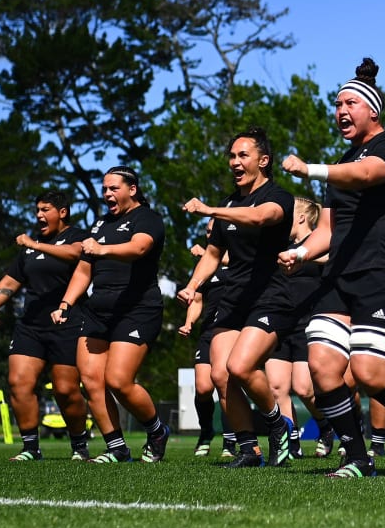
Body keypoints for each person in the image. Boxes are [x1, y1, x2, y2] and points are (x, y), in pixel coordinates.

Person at [279, 57, 385, 478]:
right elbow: (329, 231)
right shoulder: (342, 163)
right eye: (336, 105)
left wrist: (311, 169)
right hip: (339, 276)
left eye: (350, 103)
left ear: (373, 110)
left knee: (369, 372)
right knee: (322, 366)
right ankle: (356, 457)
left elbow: (368, 175)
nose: (340, 111)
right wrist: (299, 254)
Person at [179, 127, 297, 469]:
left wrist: (209, 210)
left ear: (263, 161)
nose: (235, 162)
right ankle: (249, 450)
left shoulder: (278, 197)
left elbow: (261, 217)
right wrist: (193, 284)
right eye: (232, 156)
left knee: (241, 366)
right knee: (220, 375)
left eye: (242, 155)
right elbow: (213, 253)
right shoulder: (229, 204)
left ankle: (277, 423)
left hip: (270, 296)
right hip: (233, 298)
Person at [51, 166, 169, 463]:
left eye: (113, 188)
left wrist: (103, 249)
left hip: (137, 309)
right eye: (104, 189)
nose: (107, 194)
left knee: (118, 380)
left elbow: (139, 247)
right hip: (98, 310)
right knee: (91, 381)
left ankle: (156, 431)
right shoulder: (100, 224)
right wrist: (66, 303)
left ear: (132, 189)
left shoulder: (147, 218)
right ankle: (117, 448)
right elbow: (83, 269)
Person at [0, 191, 91, 461]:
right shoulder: (30, 247)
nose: (39, 215)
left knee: (65, 389)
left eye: (45, 209)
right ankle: (30, 448)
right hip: (31, 326)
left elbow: (75, 255)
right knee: (18, 382)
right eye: (37, 209)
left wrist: (34, 245)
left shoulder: (77, 236)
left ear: (62, 212)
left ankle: (79, 446)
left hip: (68, 323)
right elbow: (9, 283)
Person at [264, 196, 336, 459]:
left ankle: (327, 425)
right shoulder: (280, 245)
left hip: (308, 323)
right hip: (280, 322)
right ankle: (289, 440)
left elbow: (334, 256)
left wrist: (303, 256)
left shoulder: (319, 240)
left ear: (302, 217)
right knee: (276, 387)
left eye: (289, 213)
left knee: (304, 388)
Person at [176, 220, 237, 459]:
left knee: (225, 383)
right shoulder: (204, 266)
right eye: (208, 232)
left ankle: (231, 439)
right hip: (208, 330)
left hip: (233, 330)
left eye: (215, 231)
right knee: (203, 387)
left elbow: (241, 262)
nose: (211, 235)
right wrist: (189, 322)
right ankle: (206, 431)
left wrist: (208, 254)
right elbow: (197, 300)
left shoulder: (235, 258)